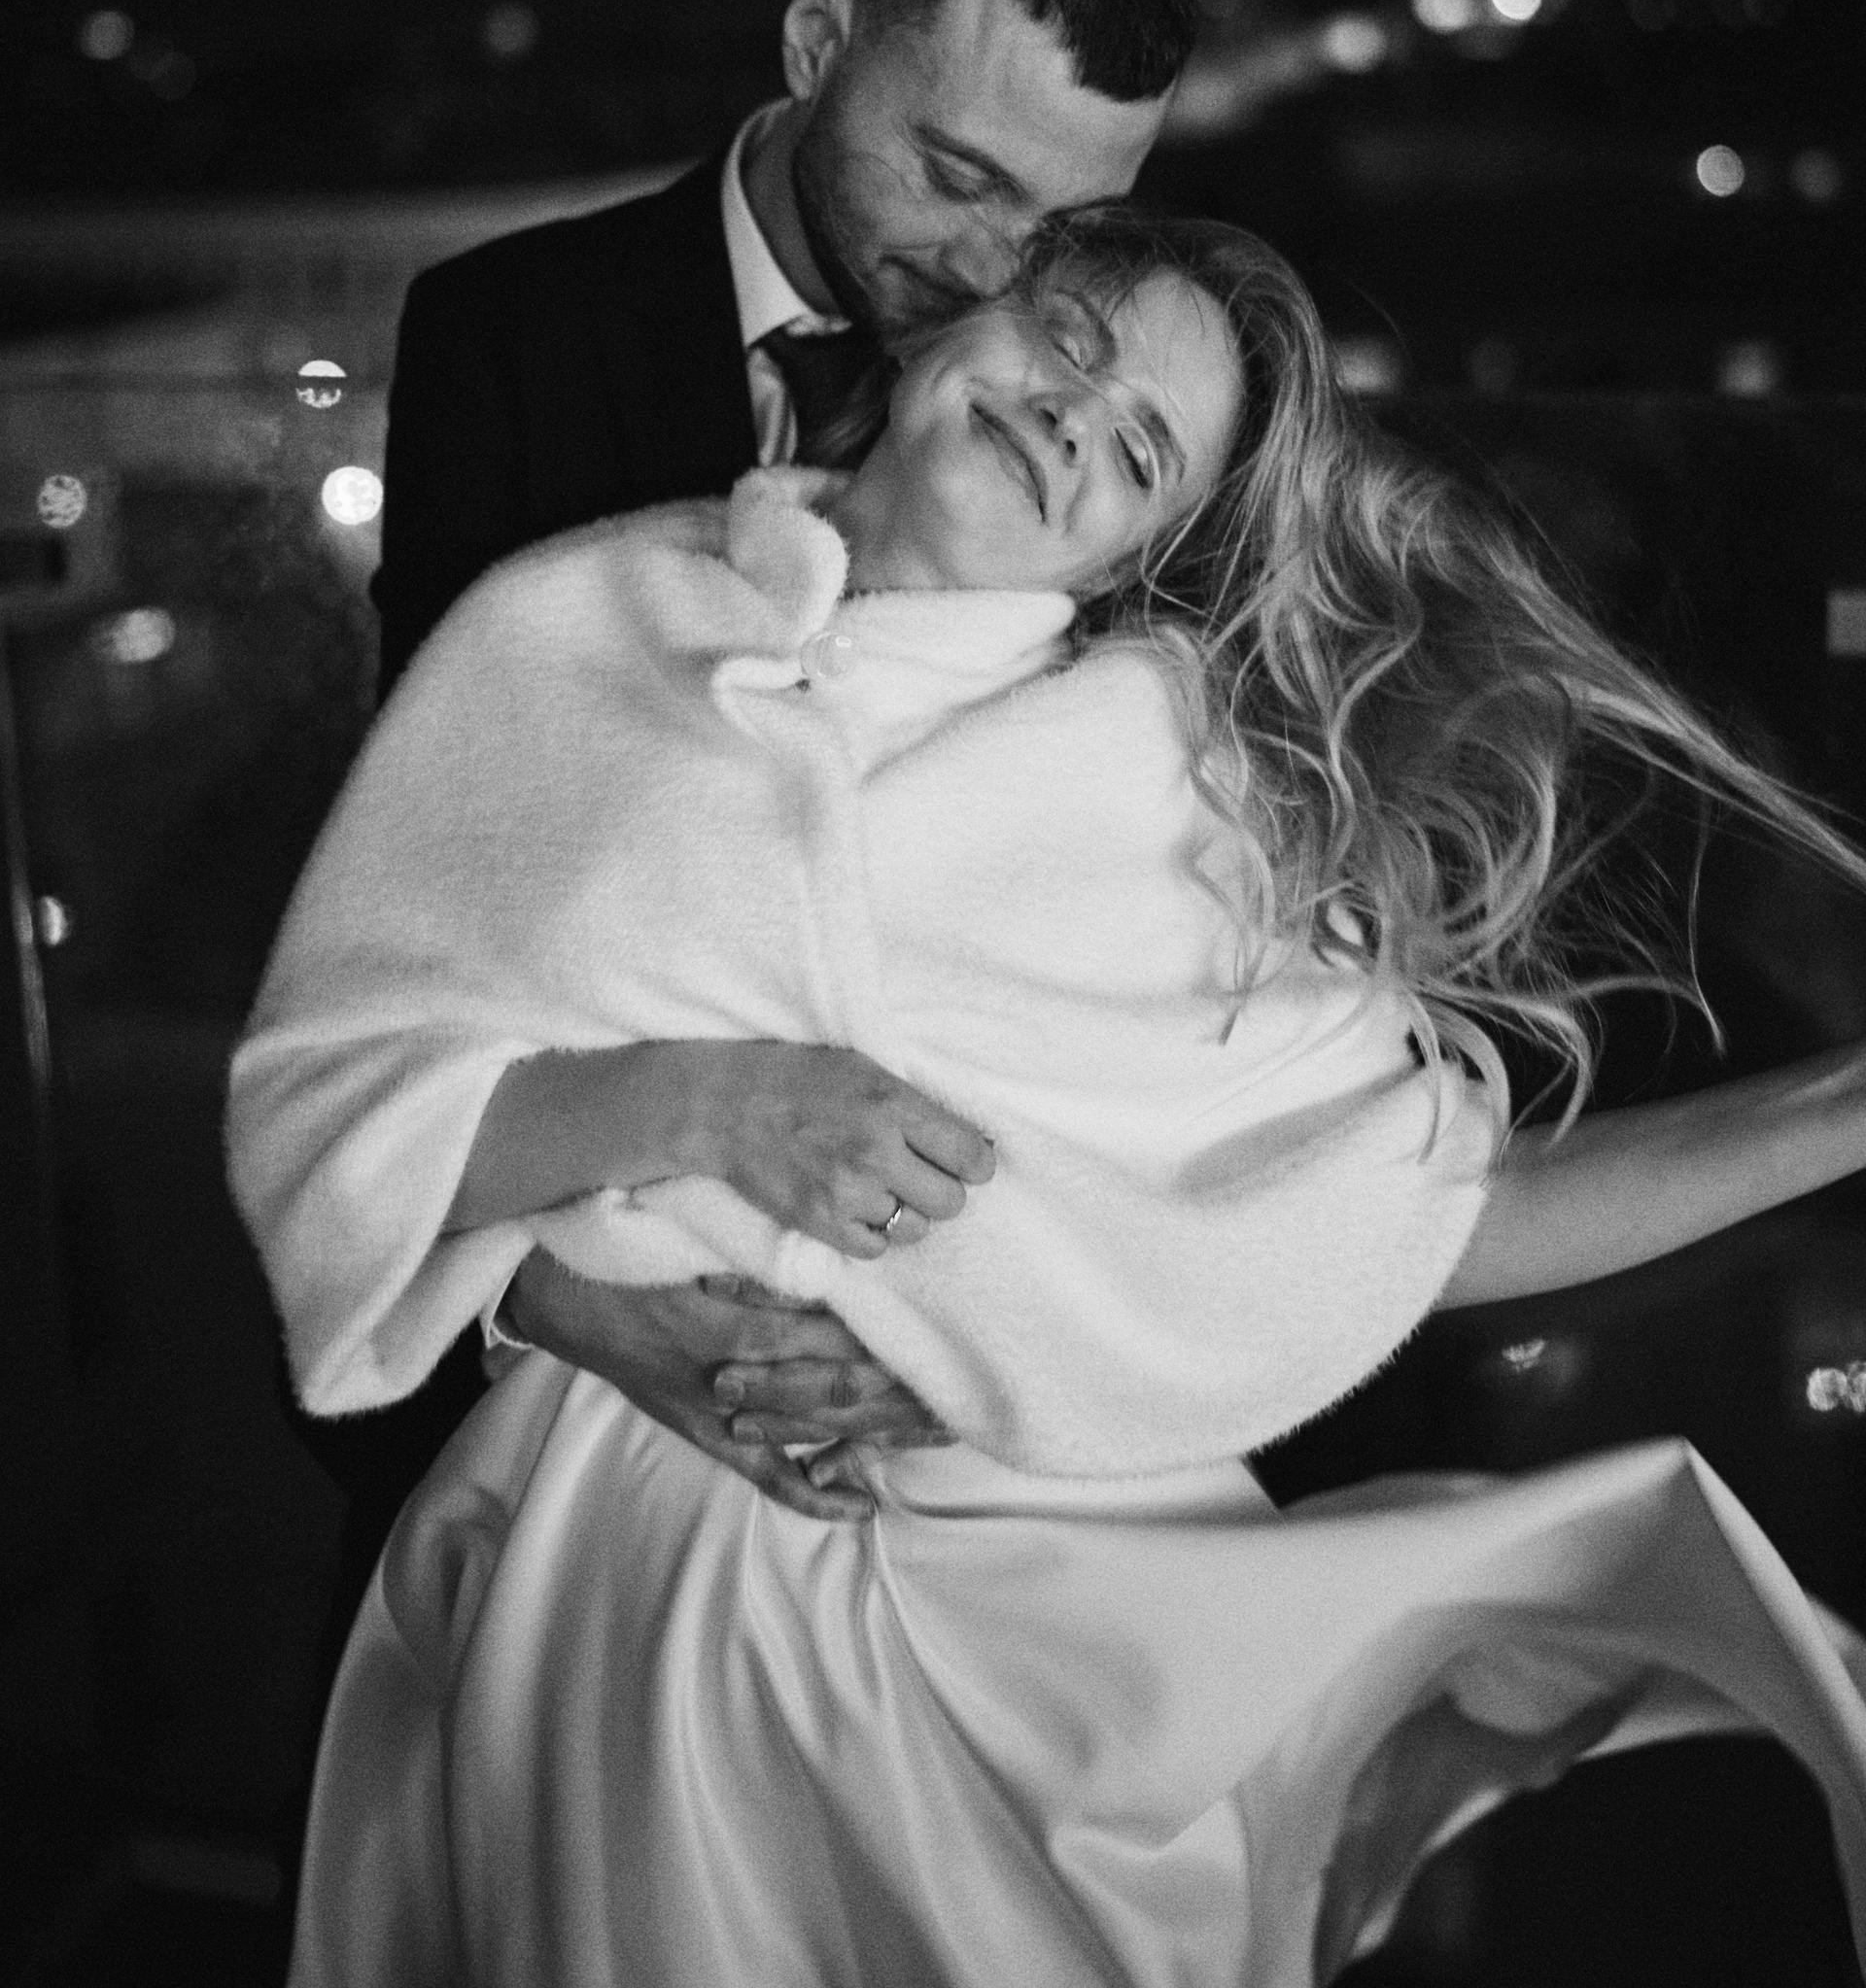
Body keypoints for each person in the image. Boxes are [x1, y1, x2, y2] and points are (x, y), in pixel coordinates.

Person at [230, 205, 1866, 1986]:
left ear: (1140, 550)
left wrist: (1836, 1112)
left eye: (1142, 450)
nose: (1075, 421)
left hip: (1000, 1632)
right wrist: (700, 1114)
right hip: (598, 1581)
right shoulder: (575, 623)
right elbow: (335, 1113)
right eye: (1069, 343)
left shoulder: (1178, 802)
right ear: (953, 319)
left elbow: (1424, 1221)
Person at [321, 0, 1201, 1582]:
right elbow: (423, 908)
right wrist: (556, 1301)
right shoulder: (508, 341)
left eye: (1068, 223)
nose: (996, 274)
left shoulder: (1092, 433)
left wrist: (990, 1335)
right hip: (560, 1311)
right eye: (957, 176)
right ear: (815, 36)